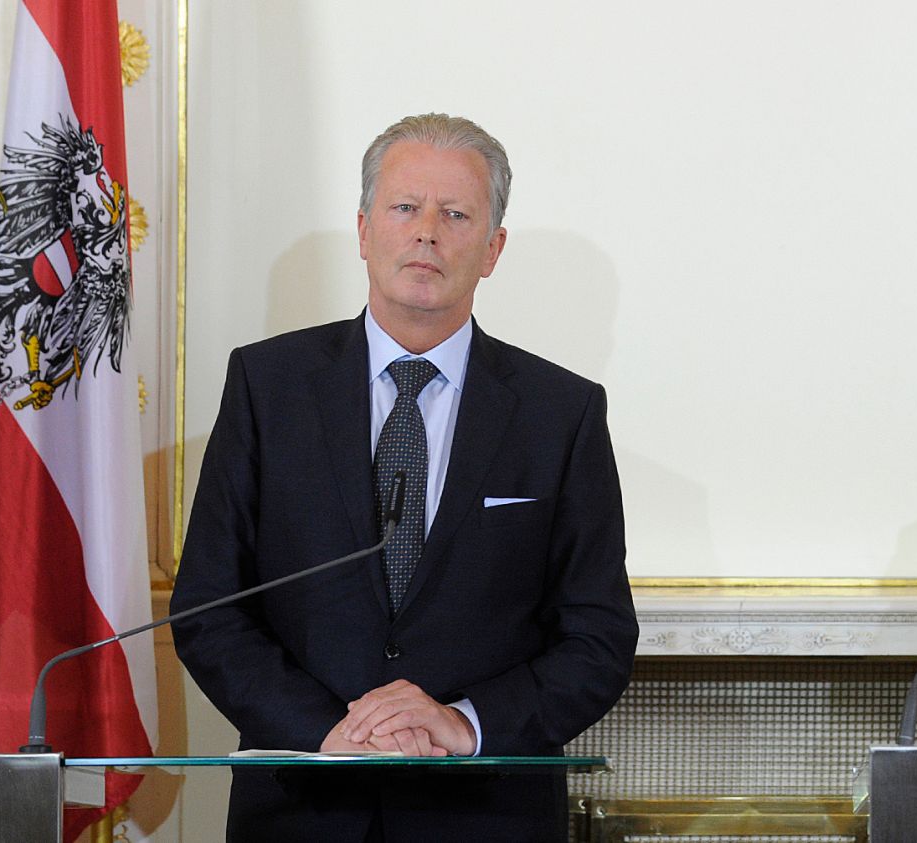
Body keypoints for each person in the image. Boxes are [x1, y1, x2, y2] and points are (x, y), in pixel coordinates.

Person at [171, 113, 638, 841]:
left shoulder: (561, 412)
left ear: (493, 248)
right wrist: (328, 730)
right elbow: (208, 606)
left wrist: (463, 723)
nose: (427, 231)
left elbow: (598, 637)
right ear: (363, 231)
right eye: (404, 207)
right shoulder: (268, 386)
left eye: (455, 214)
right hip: (303, 808)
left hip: (486, 817)